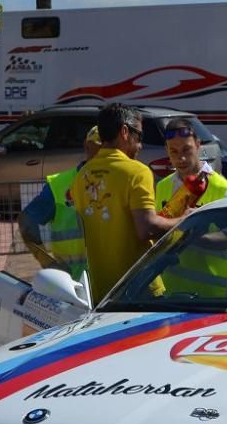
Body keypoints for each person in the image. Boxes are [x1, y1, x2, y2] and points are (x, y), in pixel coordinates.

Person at [69, 103, 180, 304]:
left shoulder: (81, 176)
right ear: (125, 132)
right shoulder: (137, 172)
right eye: (140, 136)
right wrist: (187, 218)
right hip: (139, 287)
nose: (140, 145)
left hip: (101, 293)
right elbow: (146, 228)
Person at [154, 118, 227, 297]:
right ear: (166, 151)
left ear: (198, 145)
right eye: (174, 151)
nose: (181, 158)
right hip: (172, 292)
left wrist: (192, 235)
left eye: (187, 149)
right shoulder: (163, 186)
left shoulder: (221, 187)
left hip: (213, 295)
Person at [17, 126, 103, 280]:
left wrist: (49, 264)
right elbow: (27, 223)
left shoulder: (60, 184)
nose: (103, 153)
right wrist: (49, 264)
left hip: (101, 283)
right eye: (99, 148)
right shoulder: (59, 185)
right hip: (75, 284)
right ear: (86, 146)